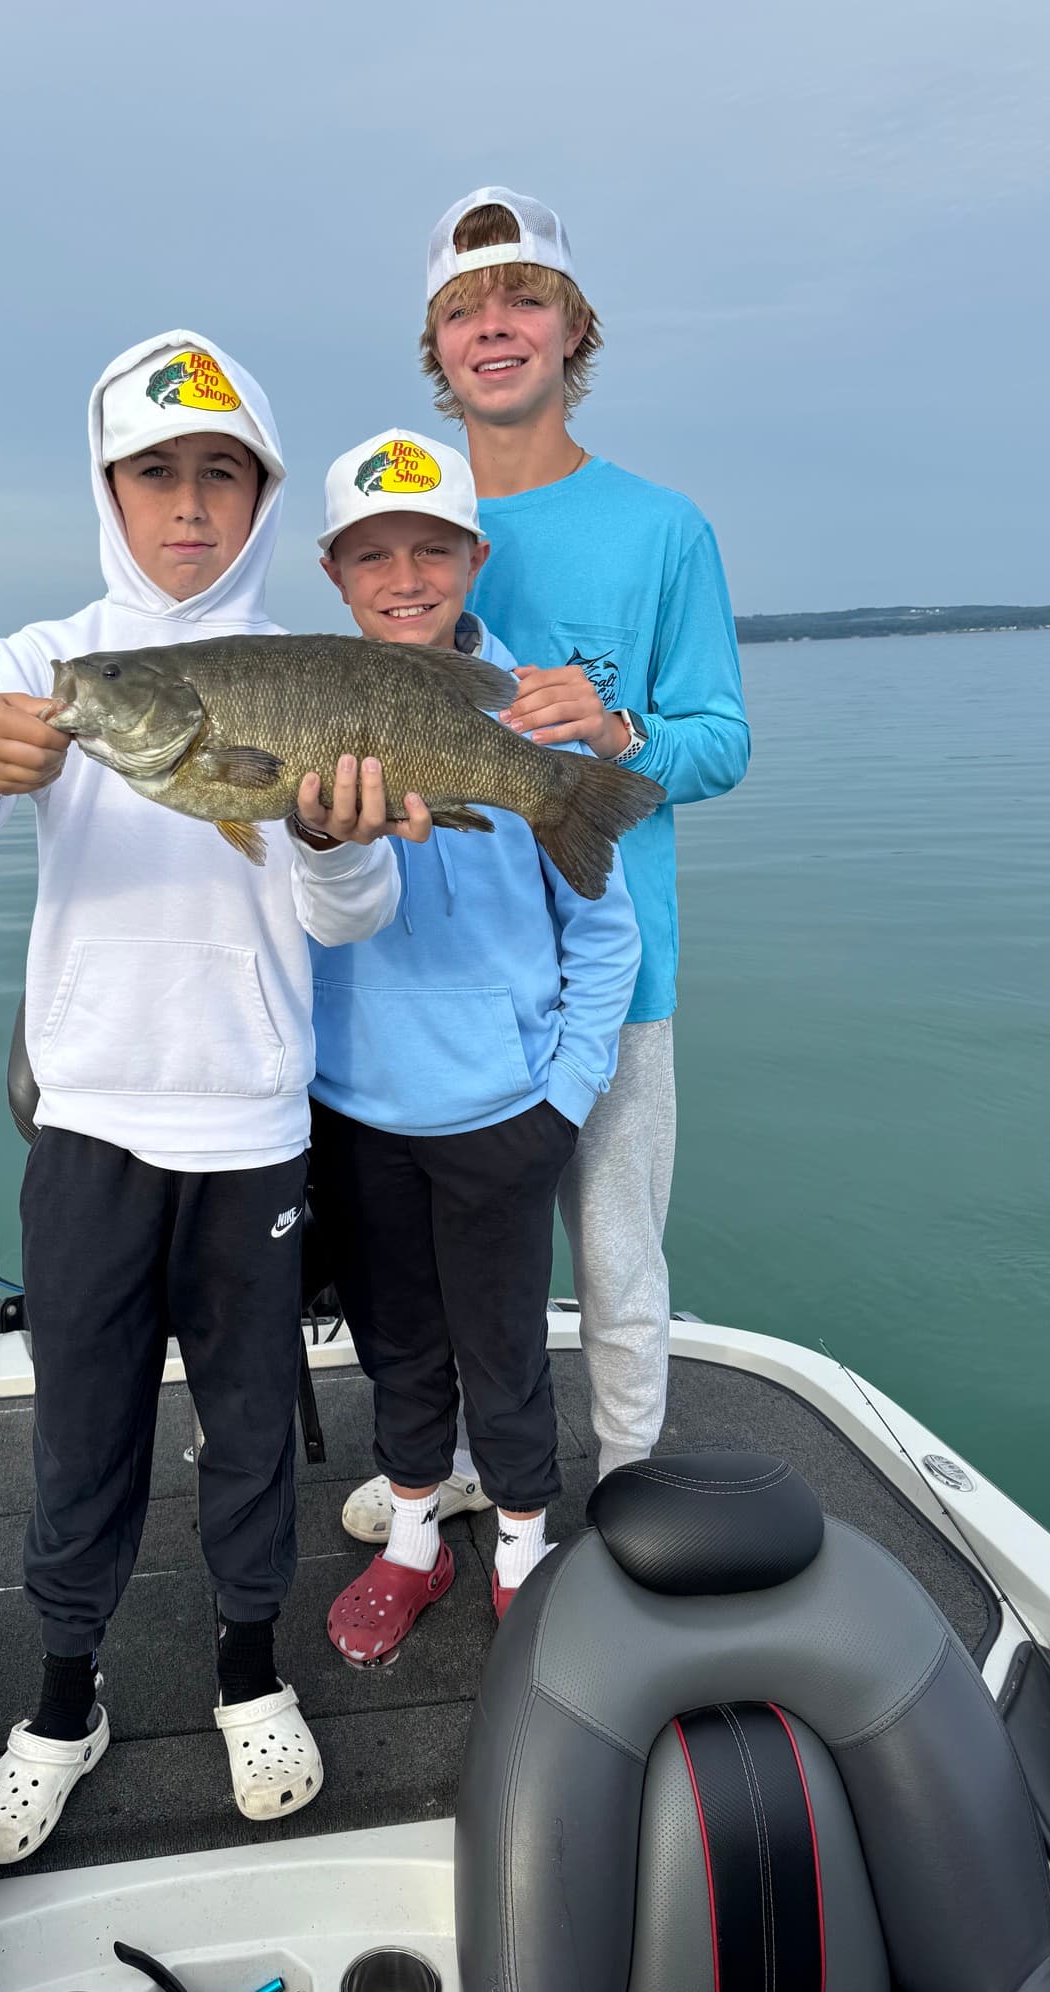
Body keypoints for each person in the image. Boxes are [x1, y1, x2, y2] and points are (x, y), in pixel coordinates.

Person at [0, 331, 430, 1859]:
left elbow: (355, 917)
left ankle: (251, 1672)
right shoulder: (53, 660)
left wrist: (335, 842)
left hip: (255, 1131)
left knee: (256, 1430)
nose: (190, 506)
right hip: (94, 1134)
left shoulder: (316, 668)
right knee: (81, 1432)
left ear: (260, 497)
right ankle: (63, 1699)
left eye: (222, 475)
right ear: (107, 487)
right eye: (157, 473)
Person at [340, 192, 750, 1547]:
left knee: (617, 1254)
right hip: (432, 990)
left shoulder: (663, 528)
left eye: (522, 302)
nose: (494, 328)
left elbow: (724, 740)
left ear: (575, 329)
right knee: (452, 1272)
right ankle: (452, 1464)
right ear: (435, 345)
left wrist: (621, 728)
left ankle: (629, 1485)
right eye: (465, 308)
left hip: (611, 966)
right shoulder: (411, 528)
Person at [308, 428, 641, 1655]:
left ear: (475, 557)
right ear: (335, 572)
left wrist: (563, 1095)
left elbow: (606, 940)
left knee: (506, 1347)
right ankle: (410, 1543)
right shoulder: (303, 703)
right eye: (374, 552)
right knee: (395, 1343)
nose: (406, 574)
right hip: (355, 1109)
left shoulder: (534, 712)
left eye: (433, 548)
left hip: (508, 1109)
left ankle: (520, 1548)